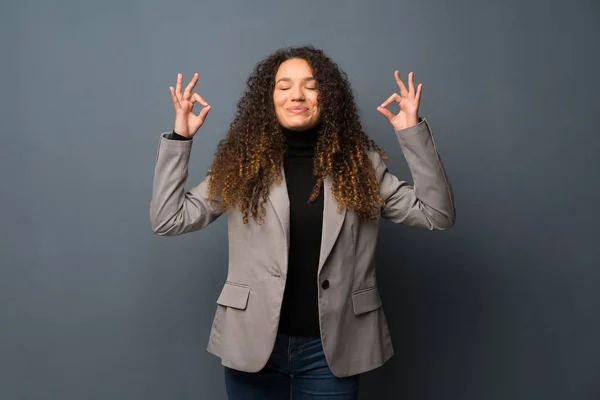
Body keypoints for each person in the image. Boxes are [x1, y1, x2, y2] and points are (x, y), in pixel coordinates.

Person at [150, 45, 455, 400]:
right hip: (253, 346)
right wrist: (181, 140)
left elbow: (437, 214)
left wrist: (412, 134)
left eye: (311, 85)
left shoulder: (361, 166)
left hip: (332, 351)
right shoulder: (242, 164)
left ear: (328, 97)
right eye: (284, 86)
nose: (297, 94)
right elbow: (168, 219)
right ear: (268, 98)